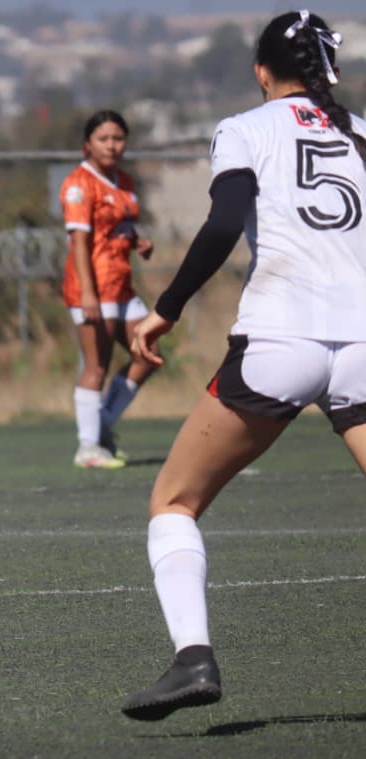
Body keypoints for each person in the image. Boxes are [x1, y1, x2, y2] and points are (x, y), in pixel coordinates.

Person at [120, 9, 366, 721]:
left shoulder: (246, 128)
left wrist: (164, 307)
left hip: (280, 341)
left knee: (173, 500)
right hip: (361, 345)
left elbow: (225, 222)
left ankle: (193, 655)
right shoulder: (360, 136)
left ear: (262, 72)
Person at [59, 109, 158, 469]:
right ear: (88, 145)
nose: (112, 145)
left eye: (118, 138)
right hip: (94, 288)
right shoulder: (77, 185)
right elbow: (81, 243)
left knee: (147, 353)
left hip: (122, 285)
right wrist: (87, 293)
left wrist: (137, 242)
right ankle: (88, 448)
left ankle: (99, 427)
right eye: (104, 139)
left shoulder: (124, 181)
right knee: (96, 366)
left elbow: (116, 230)